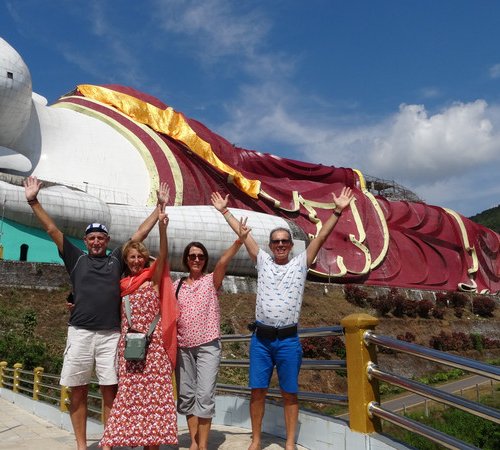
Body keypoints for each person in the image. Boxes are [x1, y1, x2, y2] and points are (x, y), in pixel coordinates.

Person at [23, 175, 168, 450]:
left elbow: (140, 234)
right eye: (92, 238)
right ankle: (81, 444)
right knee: (77, 390)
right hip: (80, 333)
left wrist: (158, 208)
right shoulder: (76, 258)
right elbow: (52, 229)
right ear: (86, 240)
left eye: (101, 238)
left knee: (109, 390)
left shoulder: (116, 260)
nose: (97, 242)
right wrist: (33, 200)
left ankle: (108, 443)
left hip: (110, 335)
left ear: (108, 240)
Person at [211, 187, 354, 450]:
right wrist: (224, 212)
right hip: (261, 341)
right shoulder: (262, 261)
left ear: (290, 246)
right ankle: (255, 440)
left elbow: (321, 237)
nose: (279, 245)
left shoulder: (300, 264)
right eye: (275, 242)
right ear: (270, 246)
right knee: (257, 391)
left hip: (288, 340)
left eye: (284, 242)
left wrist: (336, 211)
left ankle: (289, 443)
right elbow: (244, 237)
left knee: (290, 393)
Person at [100, 203, 177, 449]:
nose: (135, 260)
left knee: (153, 403)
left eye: (139, 257)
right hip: (130, 350)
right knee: (129, 398)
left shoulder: (151, 279)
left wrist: (163, 228)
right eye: (131, 257)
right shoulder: (122, 284)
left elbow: (163, 256)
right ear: (127, 260)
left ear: (145, 259)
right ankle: (114, 441)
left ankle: (151, 446)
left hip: (153, 350)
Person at [173, 226, 244, 450]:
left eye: (200, 256)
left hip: (207, 346)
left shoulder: (211, 281)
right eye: (192, 256)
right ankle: (194, 442)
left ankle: (202, 445)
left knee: (204, 395)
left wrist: (238, 242)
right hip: (183, 348)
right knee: (186, 396)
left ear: (205, 260)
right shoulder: (177, 285)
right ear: (186, 259)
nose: (196, 259)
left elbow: (222, 262)